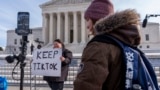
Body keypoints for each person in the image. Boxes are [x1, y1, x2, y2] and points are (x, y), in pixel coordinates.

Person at [74, 0, 141, 90]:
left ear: (96, 19)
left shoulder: (98, 47)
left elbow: (86, 85)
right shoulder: (125, 44)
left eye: (88, 20)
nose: (87, 25)